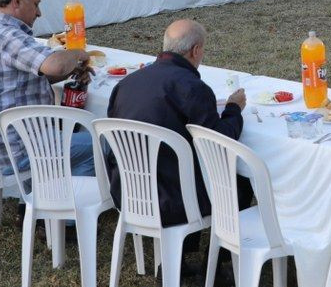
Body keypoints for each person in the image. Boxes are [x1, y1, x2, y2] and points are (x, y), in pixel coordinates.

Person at [106, 19, 249, 261]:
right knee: (239, 182)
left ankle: (182, 256)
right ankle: (219, 264)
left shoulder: (126, 84)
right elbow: (220, 143)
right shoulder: (192, 87)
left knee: (180, 165)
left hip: (128, 192)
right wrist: (234, 109)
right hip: (172, 200)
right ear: (195, 50)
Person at [0, 0, 94, 174]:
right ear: (17, 1)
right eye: (36, 4)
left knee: (80, 147)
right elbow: (56, 65)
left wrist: (70, 71)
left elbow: (25, 78)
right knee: (104, 144)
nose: (39, 12)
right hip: (14, 152)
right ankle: (54, 195)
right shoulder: (9, 36)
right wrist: (77, 53)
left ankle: (51, 188)